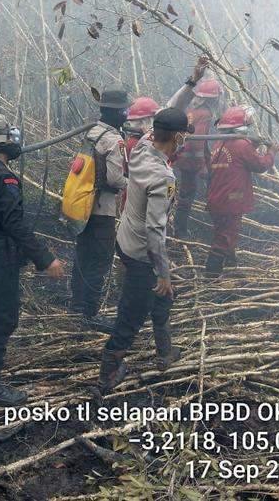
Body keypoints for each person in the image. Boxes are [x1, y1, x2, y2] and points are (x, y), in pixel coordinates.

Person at [0, 114, 64, 406]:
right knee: (1, 319)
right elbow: (14, 224)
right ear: (4, 142)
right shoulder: (5, 177)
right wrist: (45, 258)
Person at [96, 107, 192, 395]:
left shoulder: (140, 148)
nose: (186, 138)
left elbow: (166, 113)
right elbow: (155, 232)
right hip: (142, 254)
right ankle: (108, 372)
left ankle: (165, 351)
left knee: (162, 298)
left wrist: (192, 82)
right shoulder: (163, 177)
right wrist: (163, 273)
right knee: (132, 313)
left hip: (125, 241)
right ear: (177, 136)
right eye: (184, 134)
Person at [69, 90, 130, 333]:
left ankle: (77, 305)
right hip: (102, 209)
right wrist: (135, 185)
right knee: (101, 260)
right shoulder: (113, 139)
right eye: (124, 110)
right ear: (118, 112)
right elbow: (115, 178)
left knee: (83, 255)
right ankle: (90, 313)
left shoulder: (93, 132)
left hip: (83, 206)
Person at [205, 106, 279, 277]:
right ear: (242, 127)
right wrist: (271, 152)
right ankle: (210, 278)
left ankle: (231, 269)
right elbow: (260, 165)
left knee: (227, 234)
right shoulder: (241, 144)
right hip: (231, 202)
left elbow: (235, 160)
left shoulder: (219, 144)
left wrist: (253, 143)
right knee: (223, 239)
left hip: (217, 200)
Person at [172, 78, 223, 238]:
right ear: (213, 98)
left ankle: (180, 228)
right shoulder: (205, 113)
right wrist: (202, 166)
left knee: (185, 193)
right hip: (192, 161)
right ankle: (180, 231)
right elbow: (198, 141)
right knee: (187, 195)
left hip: (183, 158)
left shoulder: (190, 109)